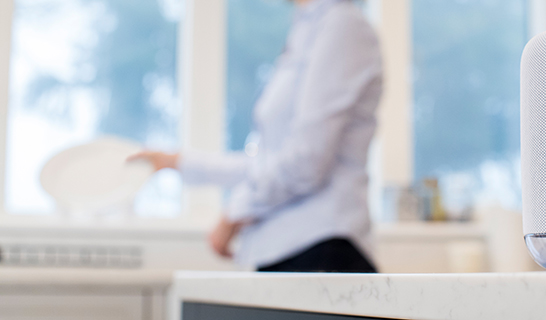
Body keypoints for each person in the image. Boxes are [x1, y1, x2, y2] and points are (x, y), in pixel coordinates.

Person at [130, 0, 381, 273]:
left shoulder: (342, 26)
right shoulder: (308, 28)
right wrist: (178, 162)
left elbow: (305, 163)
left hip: (321, 251)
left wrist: (233, 215)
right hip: (293, 253)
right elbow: (269, 163)